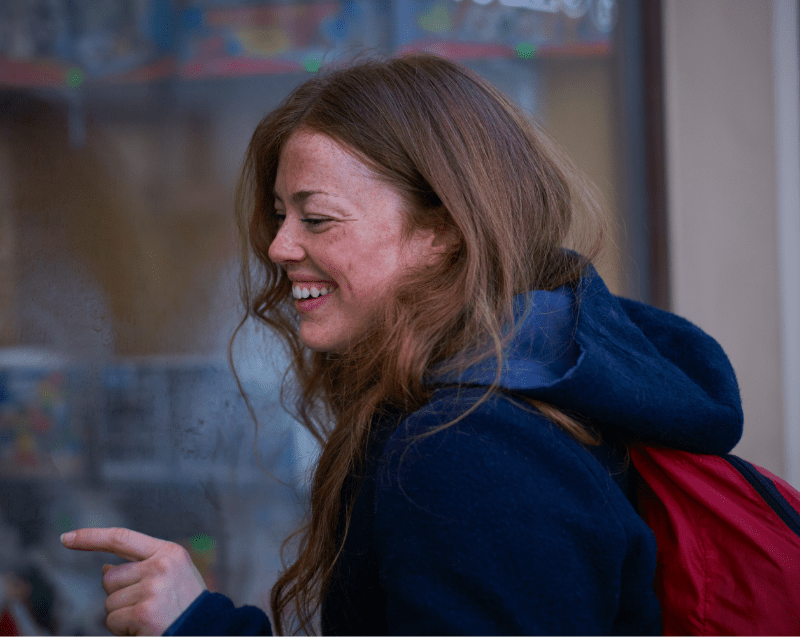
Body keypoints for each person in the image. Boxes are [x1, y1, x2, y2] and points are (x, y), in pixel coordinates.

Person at [60, 53, 743, 636]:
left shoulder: (470, 456)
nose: (278, 246)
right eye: (279, 214)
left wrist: (196, 625)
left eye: (316, 217)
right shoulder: (505, 406)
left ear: (441, 229)